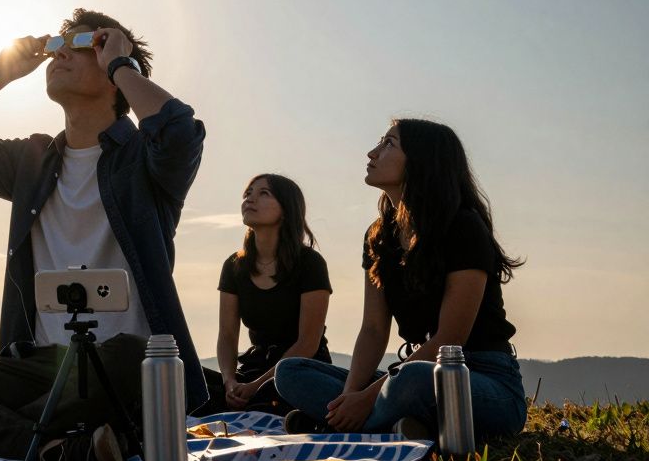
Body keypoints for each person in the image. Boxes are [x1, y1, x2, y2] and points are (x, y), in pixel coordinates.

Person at [0, 8, 209, 461]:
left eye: (83, 44)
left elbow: (180, 133)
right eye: (57, 45)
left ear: (115, 65)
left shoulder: (144, 160)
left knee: (135, 357)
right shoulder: (30, 161)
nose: (60, 53)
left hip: (125, 367)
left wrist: (121, 63)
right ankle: (56, 447)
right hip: (40, 367)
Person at [274, 120, 527, 440]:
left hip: (478, 379)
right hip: (411, 376)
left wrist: (367, 399)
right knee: (291, 373)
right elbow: (373, 329)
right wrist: (349, 398)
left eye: (389, 144)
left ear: (421, 160)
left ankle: (346, 426)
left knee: (413, 380)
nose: (372, 152)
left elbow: (451, 339)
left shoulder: (463, 226)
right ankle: (388, 425)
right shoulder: (379, 236)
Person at [203, 174, 331, 416]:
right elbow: (228, 335)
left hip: (298, 371)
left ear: (286, 209)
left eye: (264, 193)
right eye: (248, 193)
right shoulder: (234, 266)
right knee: (186, 378)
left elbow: (307, 343)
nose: (250, 198)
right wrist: (230, 382)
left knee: (280, 389)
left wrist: (254, 387)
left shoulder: (310, 263)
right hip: (254, 369)